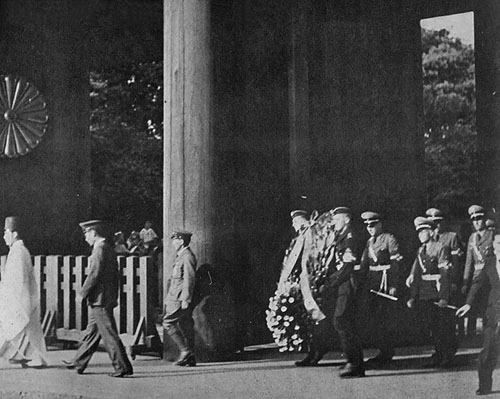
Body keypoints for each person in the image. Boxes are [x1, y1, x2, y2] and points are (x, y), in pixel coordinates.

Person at [62, 220, 133, 377]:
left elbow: (94, 274)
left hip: (100, 299)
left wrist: (82, 293)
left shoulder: (99, 249)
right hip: (103, 298)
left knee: (108, 333)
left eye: (86, 233)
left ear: (93, 233)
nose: (85, 237)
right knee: (92, 332)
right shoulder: (105, 248)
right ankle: (79, 362)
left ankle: (122, 367)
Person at [322, 207, 365, 378]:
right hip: (343, 283)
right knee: (344, 322)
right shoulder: (342, 236)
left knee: (341, 320)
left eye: (337, 220)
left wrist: (331, 282)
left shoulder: (350, 237)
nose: (334, 223)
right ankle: (353, 362)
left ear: (346, 220)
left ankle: (354, 363)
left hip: (349, 283)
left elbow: (347, 267)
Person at [406, 216, 455, 367]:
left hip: (438, 290)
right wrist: (413, 296)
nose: (420, 235)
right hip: (425, 292)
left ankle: (447, 355)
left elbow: (445, 274)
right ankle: (438, 353)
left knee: (442, 326)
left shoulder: (441, 248)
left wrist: (444, 297)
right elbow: (416, 274)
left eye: (423, 231)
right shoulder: (420, 250)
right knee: (432, 326)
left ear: (431, 232)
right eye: (418, 232)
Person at [0, 216, 47, 368]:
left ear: (14, 234)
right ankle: (35, 358)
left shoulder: (19, 252)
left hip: (21, 298)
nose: (4, 236)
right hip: (22, 297)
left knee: (14, 329)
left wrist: (11, 299)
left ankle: (35, 358)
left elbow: (19, 280)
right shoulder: (17, 250)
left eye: (6, 232)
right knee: (29, 331)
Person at [457, 230, 500, 396]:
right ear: (493, 248)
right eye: (497, 245)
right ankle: (484, 386)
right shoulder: (490, 264)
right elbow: (477, 284)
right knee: (488, 352)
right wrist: (468, 304)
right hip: (494, 313)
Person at [358, 211, 402, 365]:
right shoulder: (369, 243)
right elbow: (364, 265)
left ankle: (387, 352)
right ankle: (382, 351)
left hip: (385, 282)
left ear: (380, 224)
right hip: (373, 283)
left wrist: (393, 284)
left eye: (372, 225)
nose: (370, 229)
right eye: (367, 226)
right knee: (376, 320)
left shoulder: (389, 239)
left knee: (385, 319)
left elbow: (396, 264)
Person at [163, 229, 198, 366]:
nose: (173, 243)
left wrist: (186, 298)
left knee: (168, 323)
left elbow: (190, 279)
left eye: (175, 240)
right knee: (185, 324)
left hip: (179, 298)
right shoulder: (181, 256)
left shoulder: (187, 256)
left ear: (181, 241)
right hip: (175, 296)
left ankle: (185, 351)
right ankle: (190, 357)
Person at [462, 205, 494, 336]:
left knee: (488, 305)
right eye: (474, 219)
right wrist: (465, 282)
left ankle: (489, 333)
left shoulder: (492, 235)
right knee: (473, 304)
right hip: (476, 276)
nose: (476, 222)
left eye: (479, 219)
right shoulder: (472, 238)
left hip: (491, 276)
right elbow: (469, 262)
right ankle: (471, 334)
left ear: (484, 219)